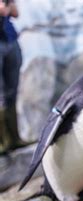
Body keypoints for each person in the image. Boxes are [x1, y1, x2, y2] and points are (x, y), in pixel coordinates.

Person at [0, 0, 26, 154]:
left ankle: (14, 139)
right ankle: (3, 142)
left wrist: (8, 5)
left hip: (9, 38)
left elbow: (15, 13)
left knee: (11, 92)